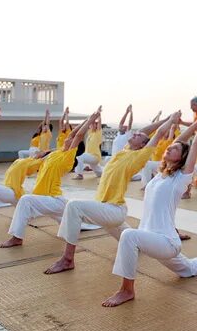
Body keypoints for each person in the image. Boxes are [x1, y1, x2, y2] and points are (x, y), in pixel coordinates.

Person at [102, 110, 197, 308]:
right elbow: (179, 140)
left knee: (128, 235)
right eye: (171, 147)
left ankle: (127, 290)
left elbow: (194, 145)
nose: (169, 149)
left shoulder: (181, 178)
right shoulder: (160, 175)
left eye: (175, 149)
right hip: (152, 238)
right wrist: (190, 127)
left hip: (166, 242)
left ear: (182, 159)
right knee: (188, 269)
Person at [43, 112, 182, 274]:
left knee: (74, 206)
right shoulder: (125, 151)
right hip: (107, 211)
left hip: (113, 210)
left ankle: (67, 259)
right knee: (175, 262)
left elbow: (157, 134)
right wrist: (164, 119)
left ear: (143, 144)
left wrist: (171, 121)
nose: (135, 133)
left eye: (138, 135)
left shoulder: (140, 156)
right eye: (135, 133)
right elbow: (145, 130)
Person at [0, 109, 100, 248]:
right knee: (71, 220)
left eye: (70, 139)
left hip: (54, 199)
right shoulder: (55, 153)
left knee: (25, 200)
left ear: (74, 147)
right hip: (43, 198)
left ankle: (17, 238)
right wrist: (87, 118)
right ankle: (89, 223)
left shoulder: (68, 158)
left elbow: (78, 135)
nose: (68, 138)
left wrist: (89, 121)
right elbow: (74, 133)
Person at [139, 123, 177, 189]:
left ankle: (146, 185)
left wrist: (172, 124)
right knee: (147, 165)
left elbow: (172, 129)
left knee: (147, 164)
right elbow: (158, 131)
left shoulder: (169, 141)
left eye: (167, 131)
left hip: (162, 163)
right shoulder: (160, 141)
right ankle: (148, 184)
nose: (165, 132)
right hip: (155, 164)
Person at [72, 108, 103, 180]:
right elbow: (88, 122)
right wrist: (93, 115)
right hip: (90, 158)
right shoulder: (90, 133)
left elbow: (99, 123)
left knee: (79, 156)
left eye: (94, 124)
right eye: (92, 124)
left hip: (94, 156)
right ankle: (107, 173)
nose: (93, 125)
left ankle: (79, 175)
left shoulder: (97, 133)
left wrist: (98, 113)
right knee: (100, 174)